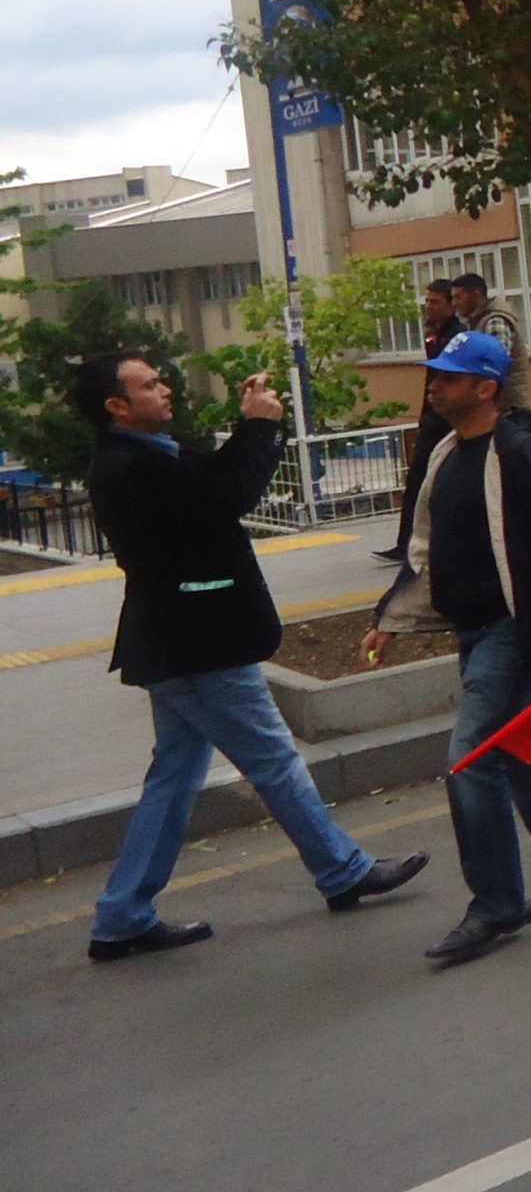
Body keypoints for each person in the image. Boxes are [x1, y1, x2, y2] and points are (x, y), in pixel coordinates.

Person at [78, 353, 428, 961]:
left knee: (175, 776)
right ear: (117, 406)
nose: (165, 389)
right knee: (273, 759)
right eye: (150, 385)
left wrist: (251, 425)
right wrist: (262, 428)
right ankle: (343, 871)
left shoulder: (149, 453)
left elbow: (212, 481)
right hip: (200, 640)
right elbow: (225, 497)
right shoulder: (130, 466)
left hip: (178, 640)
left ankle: (123, 914)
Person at [362, 330, 531, 966]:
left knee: (470, 761)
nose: (434, 386)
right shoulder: (446, 454)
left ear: (485, 388)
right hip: (473, 631)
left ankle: (494, 906)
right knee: (521, 756)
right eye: (435, 375)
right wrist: (391, 617)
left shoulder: (520, 453)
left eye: (448, 377)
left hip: (511, 633)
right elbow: (425, 550)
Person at [376, 279, 459, 564]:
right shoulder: (434, 333)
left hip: (445, 418)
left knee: (432, 479)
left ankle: (422, 542)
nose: (429, 307)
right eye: (427, 301)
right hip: (433, 416)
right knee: (417, 481)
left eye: (436, 302)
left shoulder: (456, 336)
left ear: (450, 304)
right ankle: (407, 542)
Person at [449, 271, 531, 431]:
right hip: (500, 409)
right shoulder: (477, 323)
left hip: (509, 411)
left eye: (458, 297)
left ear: (476, 295)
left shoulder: (495, 321)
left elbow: (496, 360)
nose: (454, 303)